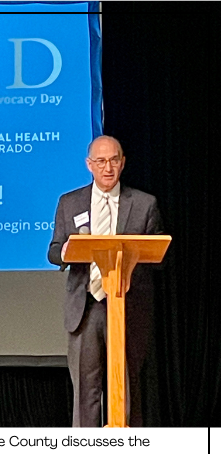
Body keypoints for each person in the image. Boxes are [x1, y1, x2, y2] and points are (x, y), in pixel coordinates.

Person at [48, 135, 164, 427]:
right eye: (100, 161)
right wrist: (67, 250)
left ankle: (126, 452)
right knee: (86, 391)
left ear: (123, 163)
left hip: (127, 307)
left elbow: (159, 256)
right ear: (89, 165)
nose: (107, 167)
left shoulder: (144, 204)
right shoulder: (69, 203)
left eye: (114, 160)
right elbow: (53, 251)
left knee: (125, 386)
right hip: (85, 308)